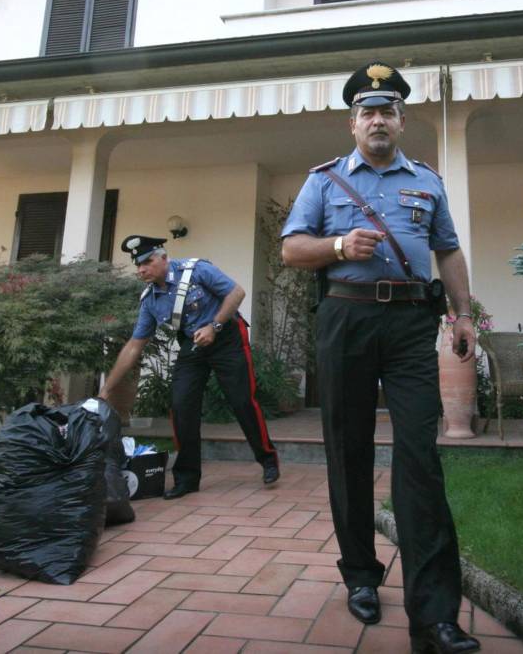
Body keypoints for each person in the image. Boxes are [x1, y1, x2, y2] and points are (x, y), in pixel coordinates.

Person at [281, 62, 481, 654]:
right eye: (367, 111)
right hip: (345, 318)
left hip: (410, 322)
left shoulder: (428, 180)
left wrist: (463, 313)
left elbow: (447, 250)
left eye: (387, 110)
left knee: (420, 454)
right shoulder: (322, 181)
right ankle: (361, 575)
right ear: (353, 123)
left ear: (401, 120)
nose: (377, 120)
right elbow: (293, 249)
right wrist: (340, 245)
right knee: (348, 450)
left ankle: (435, 616)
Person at [99, 236, 279, 498]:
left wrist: (214, 327)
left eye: (147, 262)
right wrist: (107, 390)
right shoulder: (150, 300)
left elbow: (236, 292)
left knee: (241, 400)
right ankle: (187, 478)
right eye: (138, 265)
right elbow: (133, 347)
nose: (142, 269)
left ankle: (267, 459)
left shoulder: (197, 270)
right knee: (182, 406)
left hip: (226, 336)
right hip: (193, 343)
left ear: (163, 258)